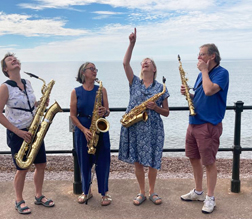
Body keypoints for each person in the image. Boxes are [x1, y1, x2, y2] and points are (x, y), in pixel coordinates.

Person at [0, 53, 55, 215]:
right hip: (18, 133)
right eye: (9, 60)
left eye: (15, 58)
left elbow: (30, 105)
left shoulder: (27, 83)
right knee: (22, 168)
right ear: (5, 69)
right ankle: (19, 200)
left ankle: (38, 195)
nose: (14, 60)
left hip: (34, 130)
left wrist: (40, 104)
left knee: (41, 164)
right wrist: (18, 132)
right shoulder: (5, 87)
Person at [118, 28, 170, 206]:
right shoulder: (135, 83)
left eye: (149, 62)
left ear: (154, 69)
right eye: (143, 62)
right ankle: (141, 192)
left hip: (154, 127)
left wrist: (155, 107)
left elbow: (167, 112)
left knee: (154, 161)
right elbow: (125, 64)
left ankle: (152, 191)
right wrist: (131, 44)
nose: (145, 63)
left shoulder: (161, 88)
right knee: (138, 161)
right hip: (136, 126)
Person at [180, 44, 229, 214]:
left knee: (208, 162)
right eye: (198, 55)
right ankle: (198, 192)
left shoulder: (222, 73)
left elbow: (209, 91)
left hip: (209, 124)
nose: (198, 58)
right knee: (193, 158)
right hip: (194, 121)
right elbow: (202, 95)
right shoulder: (202, 75)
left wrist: (204, 71)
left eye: (202, 55)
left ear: (212, 56)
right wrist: (190, 94)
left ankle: (210, 198)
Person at [70, 62, 112, 206]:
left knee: (103, 162)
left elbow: (108, 110)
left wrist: (104, 112)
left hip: (99, 129)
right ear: (83, 72)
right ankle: (86, 191)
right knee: (84, 162)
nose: (95, 71)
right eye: (91, 69)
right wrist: (83, 129)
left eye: (95, 69)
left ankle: (104, 193)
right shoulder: (76, 92)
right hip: (83, 131)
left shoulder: (101, 89)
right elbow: (73, 116)